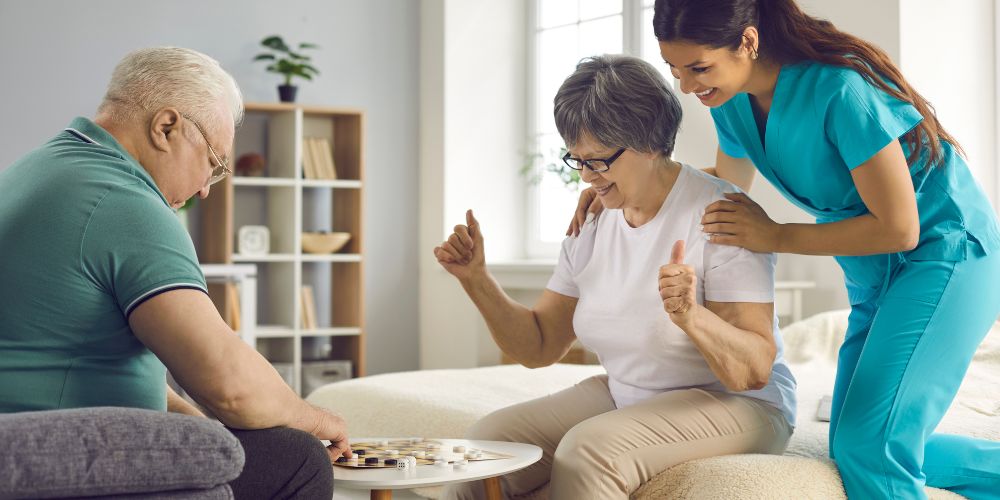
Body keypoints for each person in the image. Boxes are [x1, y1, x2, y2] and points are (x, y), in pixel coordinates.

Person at [567, 1, 1000, 498]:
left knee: (872, 446)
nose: (686, 86)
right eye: (675, 70)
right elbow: (722, 184)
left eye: (698, 67)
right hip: (872, 274)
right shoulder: (729, 103)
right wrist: (617, 181)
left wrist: (775, 235)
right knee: (855, 443)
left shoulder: (841, 91)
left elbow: (901, 228)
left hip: (946, 257)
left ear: (748, 41)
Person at [435, 54, 796, 500]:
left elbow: (753, 372)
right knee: (484, 449)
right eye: (577, 160)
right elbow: (540, 346)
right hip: (631, 394)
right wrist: (476, 279)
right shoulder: (593, 219)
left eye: (599, 160)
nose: (586, 177)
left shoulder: (722, 215)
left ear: (648, 143)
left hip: (740, 405)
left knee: (589, 452)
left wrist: (690, 316)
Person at [0, 47, 350, 499]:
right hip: (60, 450)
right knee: (296, 456)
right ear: (166, 127)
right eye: (214, 163)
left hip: (20, 435)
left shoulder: (32, 171)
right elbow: (229, 387)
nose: (206, 189)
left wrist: (195, 424)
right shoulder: (126, 202)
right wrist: (319, 419)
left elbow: (85, 350)